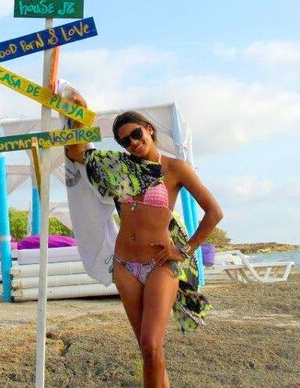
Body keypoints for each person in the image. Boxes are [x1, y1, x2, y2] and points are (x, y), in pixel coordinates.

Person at [65, 100, 223, 388]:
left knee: (151, 344)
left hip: (161, 264)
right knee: (147, 350)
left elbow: (214, 213)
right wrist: (76, 115)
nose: (132, 143)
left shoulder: (175, 169)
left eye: (136, 134)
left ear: (149, 129)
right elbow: (75, 152)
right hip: (125, 265)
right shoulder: (119, 167)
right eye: (124, 141)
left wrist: (184, 250)